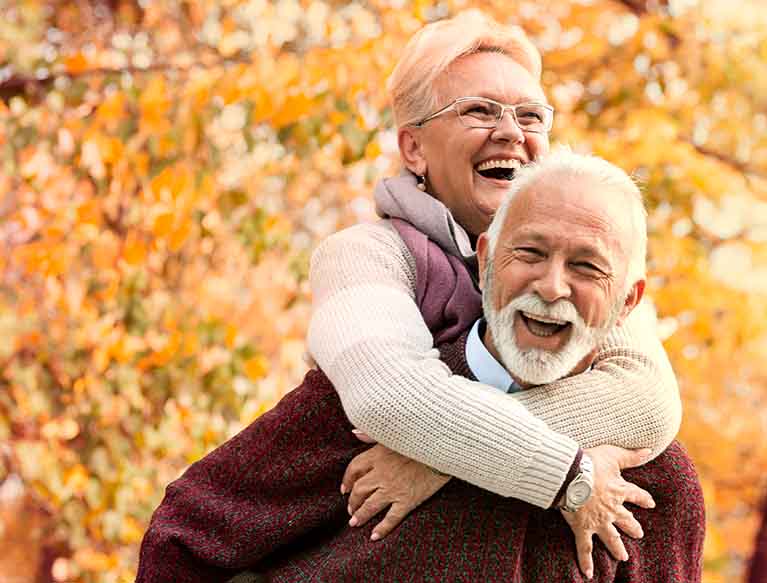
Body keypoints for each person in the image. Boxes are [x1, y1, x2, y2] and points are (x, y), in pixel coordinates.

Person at [137, 150, 704, 582]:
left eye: (587, 267)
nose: (552, 287)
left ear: (629, 301)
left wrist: (450, 464)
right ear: (483, 262)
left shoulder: (653, 484)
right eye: (529, 253)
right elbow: (184, 540)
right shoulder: (352, 415)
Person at [304, 10, 681, 560]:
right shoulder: (364, 255)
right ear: (414, 148)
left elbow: (645, 400)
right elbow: (391, 398)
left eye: (531, 116)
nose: (511, 132)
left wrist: (435, 462)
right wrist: (570, 472)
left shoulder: (585, 265)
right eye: (478, 111)